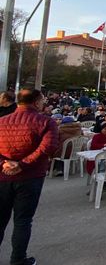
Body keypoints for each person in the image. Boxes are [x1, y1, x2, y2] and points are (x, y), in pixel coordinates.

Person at [0, 89, 59, 265]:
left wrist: (5, 163)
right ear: (36, 102)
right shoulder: (45, 122)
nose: (44, 103)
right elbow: (48, 148)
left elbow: (47, 147)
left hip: (3, 176)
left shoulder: (2, 122)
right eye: (42, 100)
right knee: (23, 220)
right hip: (30, 177)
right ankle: (18, 259)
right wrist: (22, 164)